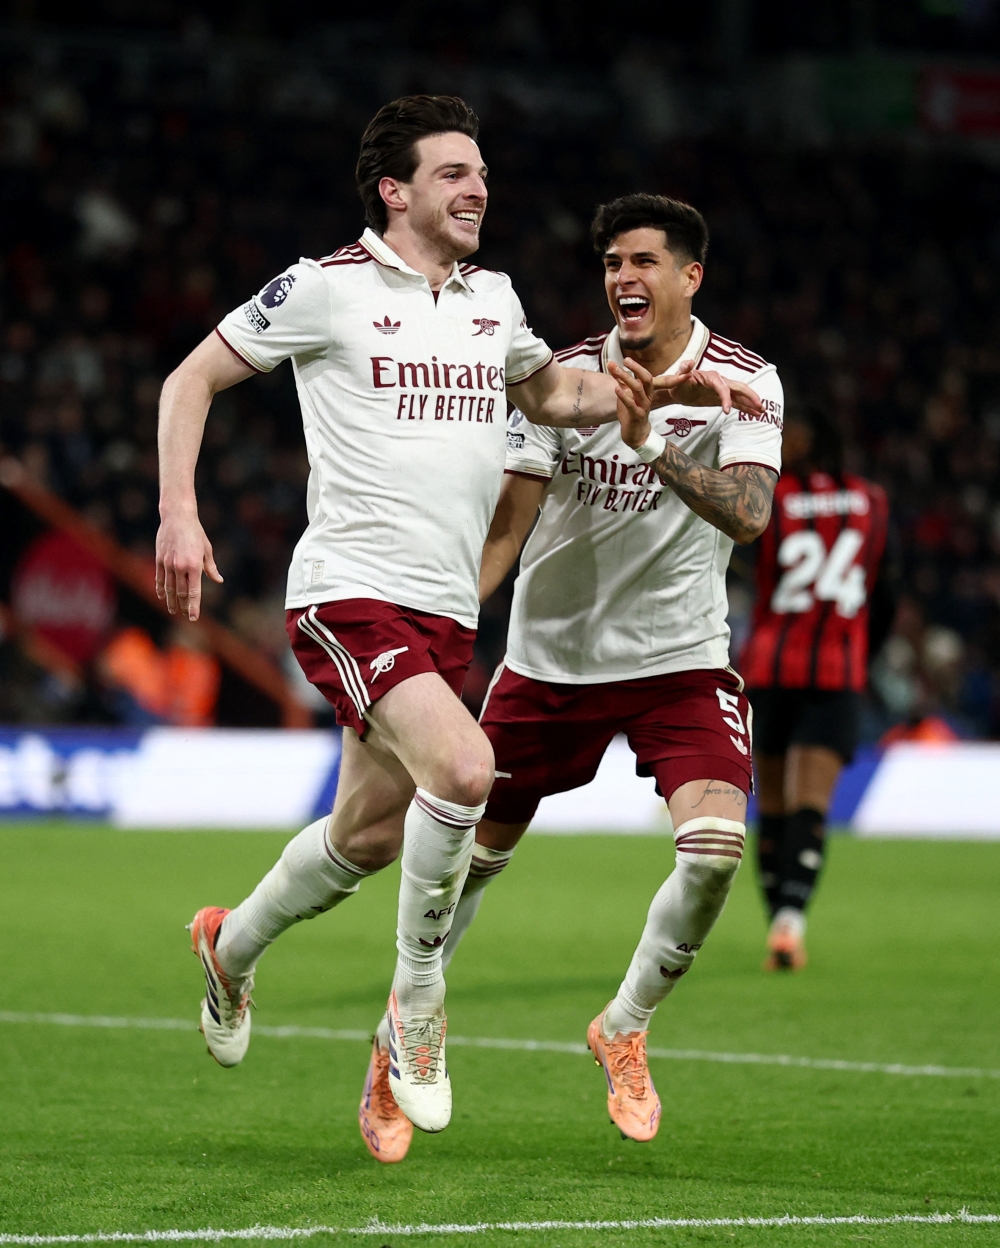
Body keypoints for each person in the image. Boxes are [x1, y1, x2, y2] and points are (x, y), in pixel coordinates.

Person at [154, 101, 759, 1151]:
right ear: (395, 190)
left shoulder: (493, 301)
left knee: (368, 836)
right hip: (349, 591)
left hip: (439, 613)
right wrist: (176, 510)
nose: (478, 188)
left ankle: (229, 946)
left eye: (482, 173)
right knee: (467, 770)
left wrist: (629, 400)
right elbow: (189, 378)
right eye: (453, 174)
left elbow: (550, 392)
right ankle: (419, 1006)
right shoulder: (327, 287)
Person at [359, 192, 784, 1156]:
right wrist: (443, 630)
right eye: (610, 263)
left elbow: (751, 513)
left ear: (690, 277)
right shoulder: (558, 383)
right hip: (549, 664)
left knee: (715, 854)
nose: (623, 278)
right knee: (464, 865)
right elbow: (508, 524)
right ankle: (397, 1040)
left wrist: (653, 450)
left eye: (642, 261)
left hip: (680, 659)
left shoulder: (747, 381)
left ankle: (624, 1024)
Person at [740, 408, 888, 970]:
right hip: (837, 672)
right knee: (812, 804)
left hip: (773, 669)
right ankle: (790, 920)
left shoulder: (773, 499)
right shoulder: (872, 499)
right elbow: (887, 592)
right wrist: (857, 653)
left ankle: (777, 916)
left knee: (772, 805)